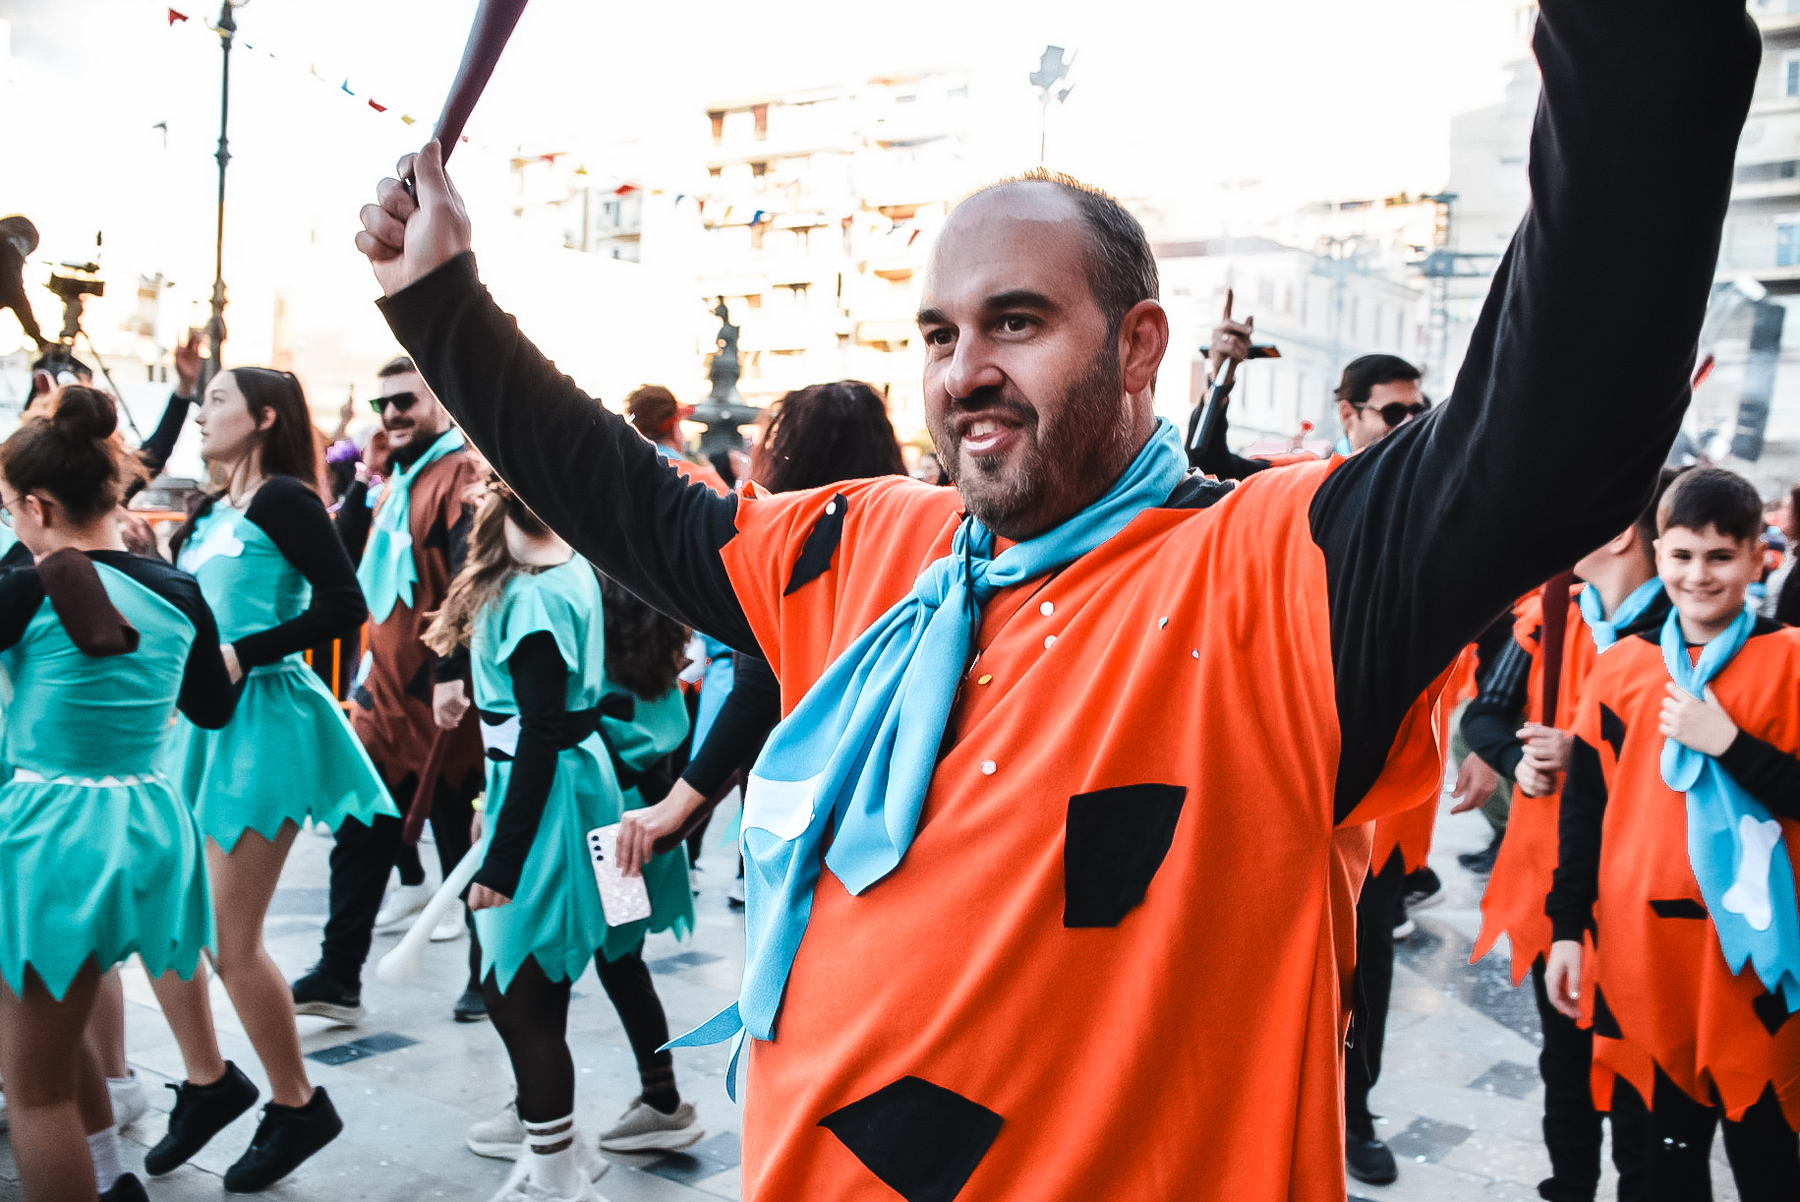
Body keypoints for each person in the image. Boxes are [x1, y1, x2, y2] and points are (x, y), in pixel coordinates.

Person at [354, 1, 1756, 1190]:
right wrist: (444, 306)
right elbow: (636, 503)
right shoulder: (872, 547)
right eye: (938, 332)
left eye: (1016, 321)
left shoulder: (1280, 575)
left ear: (1138, 347)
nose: (964, 368)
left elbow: (1559, 423)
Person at [136, 367, 391, 1188]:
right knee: (163, 918)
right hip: (198, 725)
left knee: (226, 938)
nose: (204, 414)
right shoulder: (213, 507)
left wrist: (244, 652)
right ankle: (208, 1082)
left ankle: (296, 1103)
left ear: (265, 417)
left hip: (264, 724)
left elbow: (344, 604)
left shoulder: (285, 500)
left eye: (217, 400)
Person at [0, 386, 236, 1202]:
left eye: (10, 509)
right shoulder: (179, 591)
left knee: (33, 1090)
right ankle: (106, 1175)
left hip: (53, 832)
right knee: (60, 1029)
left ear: (37, 505)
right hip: (147, 823)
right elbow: (213, 707)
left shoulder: (25, 588)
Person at [1547, 467, 1800, 1200]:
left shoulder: (1791, 661)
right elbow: (1585, 811)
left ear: (1758, 557)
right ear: (1657, 554)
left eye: (1720, 556)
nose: (1698, 575)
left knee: (1767, 1157)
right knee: (1661, 1166)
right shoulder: (1622, 667)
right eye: (1683, 555)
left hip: (1753, 963)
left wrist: (1731, 746)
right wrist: (1567, 927)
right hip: (1644, 954)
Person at [1465, 471, 1676, 1202]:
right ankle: (1571, 1185)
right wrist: (1517, 759)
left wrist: (1586, 753)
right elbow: (1486, 713)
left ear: (1618, 534)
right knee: (1565, 1061)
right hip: (1554, 873)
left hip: (1642, 888)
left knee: (1642, 1076)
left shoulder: (1684, 633)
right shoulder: (1552, 611)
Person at [613, 380, 907, 879]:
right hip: (892, 794)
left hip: (805, 796)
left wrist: (678, 807)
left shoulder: (798, 538)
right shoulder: (913, 533)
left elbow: (756, 689)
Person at [294, 355, 486, 1024]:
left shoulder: (460, 475)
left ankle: (488, 976)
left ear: (441, 403)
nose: (393, 414)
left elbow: (469, 576)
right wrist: (367, 476)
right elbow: (342, 555)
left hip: (443, 705)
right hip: (383, 697)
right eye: (384, 405)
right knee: (361, 833)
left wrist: (452, 672)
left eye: (406, 400)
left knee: (462, 844)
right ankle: (338, 973)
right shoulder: (396, 481)